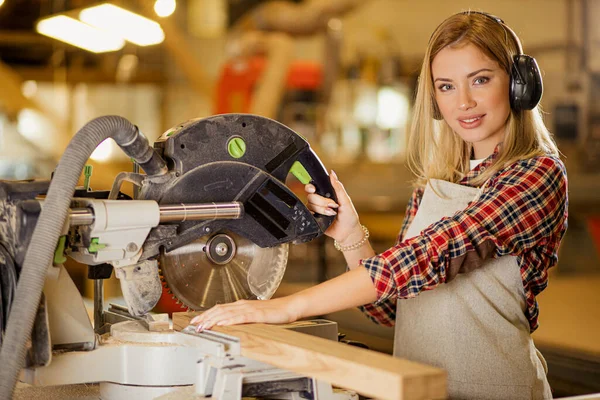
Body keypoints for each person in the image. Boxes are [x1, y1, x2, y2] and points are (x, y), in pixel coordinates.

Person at [192, 11, 568, 399]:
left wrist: (286, 308)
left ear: (519, 84)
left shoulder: (536, 176)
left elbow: (431, 256)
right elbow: (393, 309)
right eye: (447, 86)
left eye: (480, 80)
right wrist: (351, 235)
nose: (465, 102)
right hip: (416, 390)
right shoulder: (435, 186)